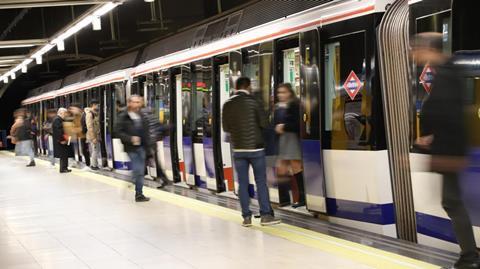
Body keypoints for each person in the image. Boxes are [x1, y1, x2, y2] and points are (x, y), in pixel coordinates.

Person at [414, 33, 479, 269]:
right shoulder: (446, 71)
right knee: (451, 201)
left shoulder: (448, 73)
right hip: (449, 148)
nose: (415, 54)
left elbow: (450, 115)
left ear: (428, 49)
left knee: (452, 202)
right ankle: (469, 256)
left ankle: (470, 257)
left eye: (417, 49)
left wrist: (432, 137)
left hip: (450, 151)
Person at [222, 77, 280, 227]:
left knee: (242, 182)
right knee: (260, 182)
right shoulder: (254, 102)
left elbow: (226, 128)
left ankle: (246, 217)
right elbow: (265, 124)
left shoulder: (228, 104)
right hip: (256, 148)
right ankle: (266, 216)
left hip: (239, 149)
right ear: (248, 87)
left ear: (236, 87)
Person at [274, 83, 305, 208]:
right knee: (282, 169)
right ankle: (284, 198)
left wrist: (283, 127)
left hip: (292, 139)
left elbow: (298, 124)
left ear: (290, 93)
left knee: (296, 167)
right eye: (279, 92)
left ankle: (301, 198)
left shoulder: (294, 104)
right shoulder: (278, 107)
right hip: (283, 140)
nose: (281, 95)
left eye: (284, 92)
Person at [115, 95, 151, 202]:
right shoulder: (123, 116)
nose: (137, 104)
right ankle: (130, 181)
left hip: (142, 147)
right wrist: (130, 138)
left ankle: (139, 194)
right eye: (135, 102)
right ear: (129, 103)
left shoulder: (142, 115)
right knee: (138, 169)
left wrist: (149, 146)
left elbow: (146, 132)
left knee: (140, 172)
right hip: (131, 148)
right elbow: (117, 132)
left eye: (139, 102)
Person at [141, 106, 169, 188]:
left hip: (148, 142)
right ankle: (164, 179)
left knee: (143, 161)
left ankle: (136, 180)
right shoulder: (153, 117)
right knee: (155, 161)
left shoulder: (143, 116)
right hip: (153, 142)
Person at [52, 108, 74, 173]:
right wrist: (62, 139)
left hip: (64, 139)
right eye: (65, 113)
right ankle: (63, 168)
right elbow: (58, 131)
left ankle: (65, 167)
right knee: (63, 155)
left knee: (65, 154)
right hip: (61, 141)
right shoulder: (57, 120)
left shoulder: (60, 119)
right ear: (60, 113)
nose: (66, 114)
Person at [85, 99, 101, 170]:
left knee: (96, 150)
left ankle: (95, 164)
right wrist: (93, 138)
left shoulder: (94, 113)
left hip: (96, 135)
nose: (98, 106)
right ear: (93, 105)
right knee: (95, 150)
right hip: (92, 136)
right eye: (97, 105)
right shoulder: (89, 114)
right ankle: (94, 165)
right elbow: (90, 127)